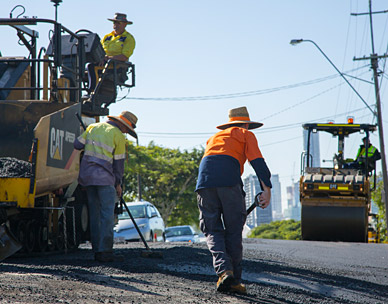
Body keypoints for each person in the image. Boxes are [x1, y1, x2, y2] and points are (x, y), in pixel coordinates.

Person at [195, 106, 272, 294]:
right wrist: (267, 190)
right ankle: (235, 281)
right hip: (229, 182)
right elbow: (257, 162)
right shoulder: (245, 134)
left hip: (204, 183)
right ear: (246, 123)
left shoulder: (213, 138)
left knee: (212, 230)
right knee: (234, 229)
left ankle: (224, 272)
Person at [73, 110, 138, 262]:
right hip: (105, 180)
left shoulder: (92, 128)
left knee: (94, 216)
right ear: (123, 126)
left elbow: (77, 145)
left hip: (88, 178)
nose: (126, 132)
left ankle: (97, 251)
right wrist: (118, 183)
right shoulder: (118, 136)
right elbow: (118, 164)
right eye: (127, 130)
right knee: (106, 216)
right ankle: (106, 251)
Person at [86, 12, 136, 95]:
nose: (116, 25)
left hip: (116, 65)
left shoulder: (128, 38)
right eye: (114, 22)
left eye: (118, 23)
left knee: (91, 66)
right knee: (80, 64)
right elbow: (99, 49)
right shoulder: (107, 37)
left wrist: (108, 58)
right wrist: (101, 57)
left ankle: (92, 91)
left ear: (125, 24)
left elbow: (124, 57)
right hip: (103, 61)